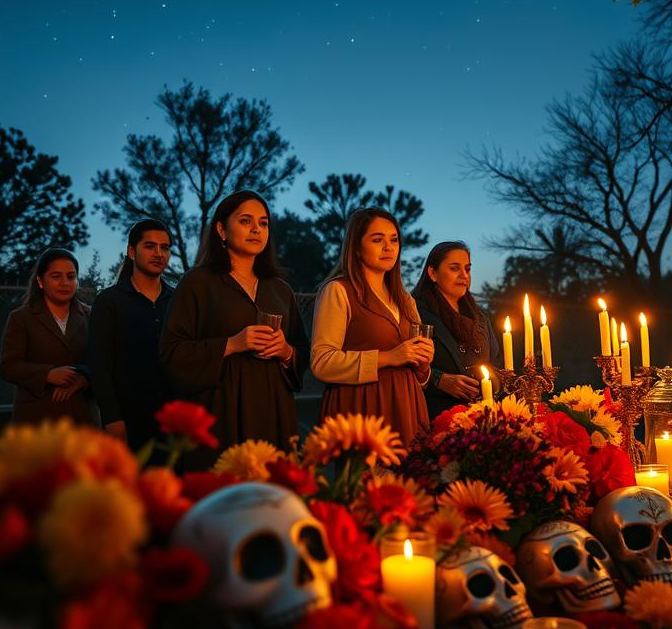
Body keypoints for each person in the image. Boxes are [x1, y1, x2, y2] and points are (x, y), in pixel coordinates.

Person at [160, 190, 308, 470]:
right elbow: (171, 352)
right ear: (221, 229)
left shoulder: (280, 289)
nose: (256, 229)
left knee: (272, 499)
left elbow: (304, 352)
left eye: (263, 223)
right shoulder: (197, 283)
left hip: (273, 411)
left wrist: (286, 351)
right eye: (245, 221)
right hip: (221, 413)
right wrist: (231, 344)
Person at [311, 207, 433, 445]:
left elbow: (420, 378)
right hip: (362, 408)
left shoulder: (406, 300)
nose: (389, 247)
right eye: (378, 240)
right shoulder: (339, 290)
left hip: (407, 408)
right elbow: (322, 363)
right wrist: (389, 357)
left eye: (394, 240)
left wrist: (424, 366)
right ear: (356, 247)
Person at [87, 219, 175, 454]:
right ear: (131, 251)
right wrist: (112, 419)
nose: (158, 253)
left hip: (173, 422)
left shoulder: (178, 301)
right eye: (150, 246)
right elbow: (99, 365)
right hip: (128, 421)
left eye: (165, 247)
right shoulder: (109, 301)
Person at [0, 248, 99, 426]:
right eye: (56, 276)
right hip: (38, 420)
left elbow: (105, 361)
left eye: (70, 276)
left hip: (82, 419)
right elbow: (8, 366)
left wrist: (84, 380)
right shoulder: (21, 317)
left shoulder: (91, 316)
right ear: (40, 281)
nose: (64, 282)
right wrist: (47, 374)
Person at [412, 241, 502, 418]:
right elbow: (407, 367)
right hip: (435, 417)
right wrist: (439, 380)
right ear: (432, 273)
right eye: (454, 269)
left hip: (481, 417)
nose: (464, 275)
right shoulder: (415, 313)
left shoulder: (480, 319)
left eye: (467, 269)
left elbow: (498, 363)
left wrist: (492, 383)